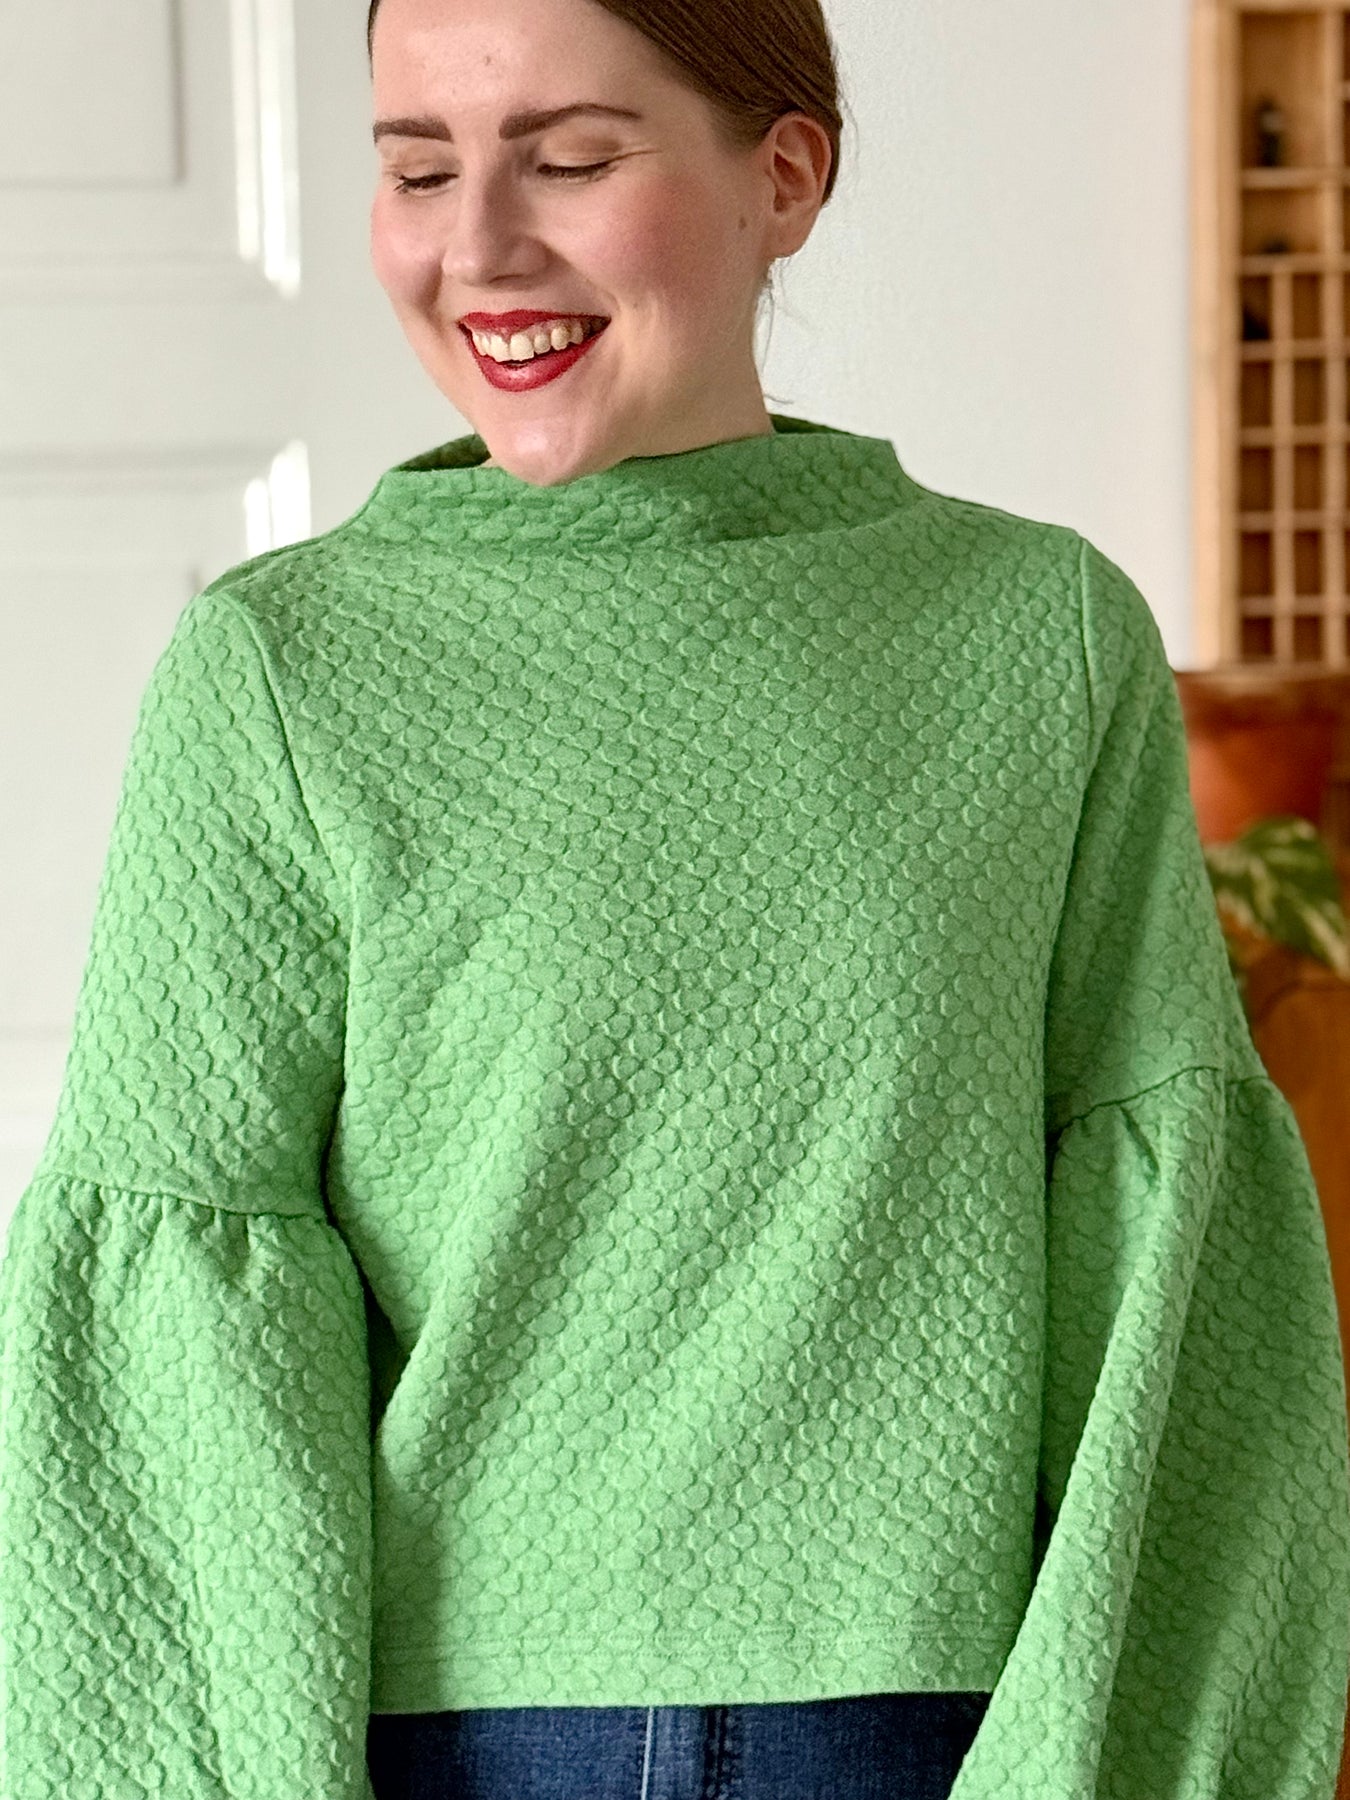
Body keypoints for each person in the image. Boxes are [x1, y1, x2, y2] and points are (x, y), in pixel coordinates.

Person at [1, 0, 1348, 1795]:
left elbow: (1161, 1268)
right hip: (451, 1742)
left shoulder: (1041, 636)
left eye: (569, 159)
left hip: (946, 1723)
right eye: (418, 169)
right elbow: (177, 1335)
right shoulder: (278, 671)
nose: (479, 245)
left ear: (782, 177)